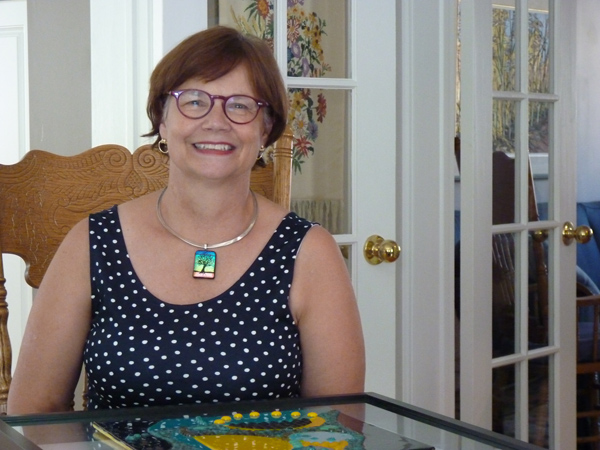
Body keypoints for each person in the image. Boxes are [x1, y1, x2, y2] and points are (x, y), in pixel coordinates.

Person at [7, 26, 365, 413]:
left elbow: (338, 425)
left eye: (241, 105)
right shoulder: (92, 242)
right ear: (162, 119)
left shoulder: (310, 252)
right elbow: (34, 411)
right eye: (194, 101)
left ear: (266, 129)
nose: (216, 121)